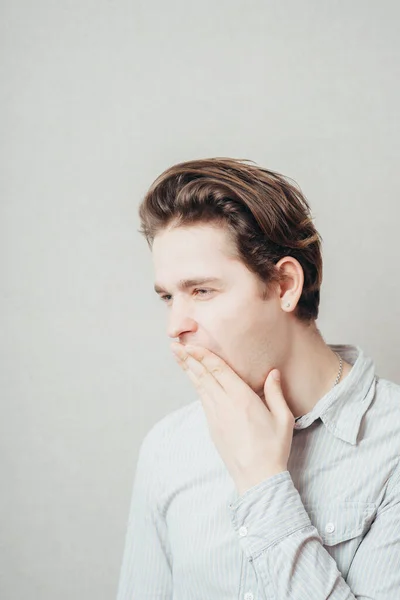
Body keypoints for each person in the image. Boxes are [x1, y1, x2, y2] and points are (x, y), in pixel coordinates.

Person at [116, 158, 400, 599]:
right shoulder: (167, 448)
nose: (176, 325)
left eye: (202, 291)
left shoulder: (392, 446)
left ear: (284, 284)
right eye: (168, 297)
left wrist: (263, 483)